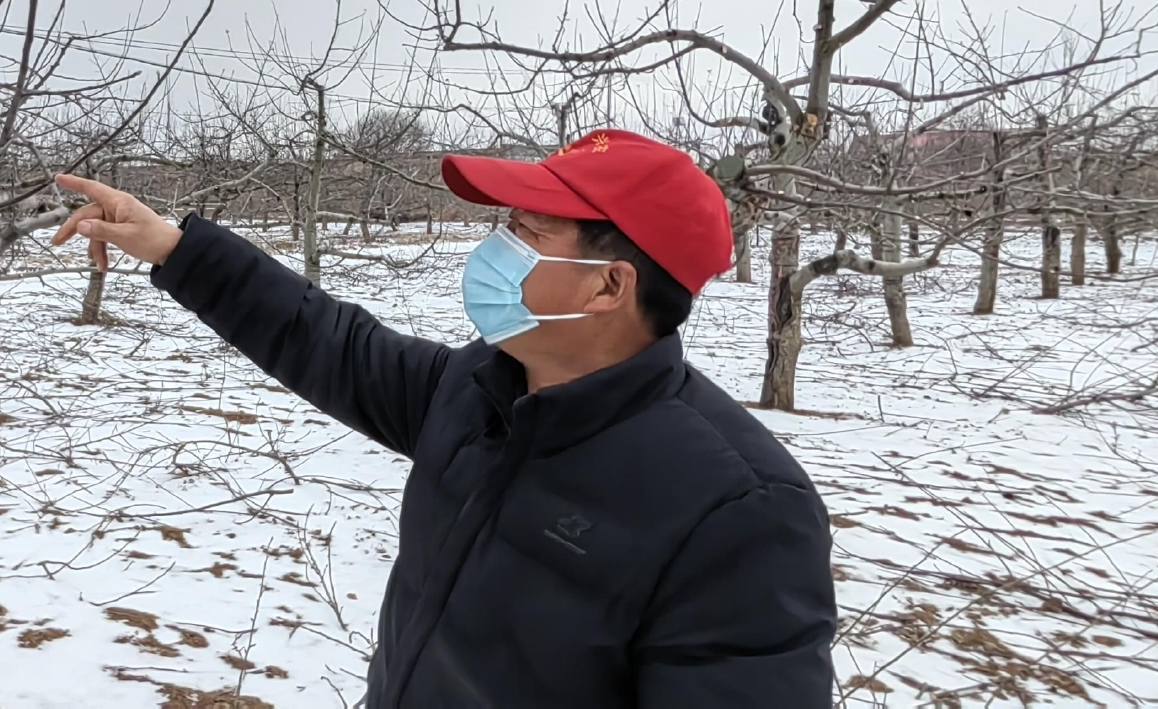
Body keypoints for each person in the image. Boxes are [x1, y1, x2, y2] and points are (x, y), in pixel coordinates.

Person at [52, 128, 836, 708]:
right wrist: (174, 248)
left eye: (527, 234)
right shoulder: (482, 390)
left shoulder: (740, 511)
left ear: (608, 287)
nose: (495, 249)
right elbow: (328, 342)